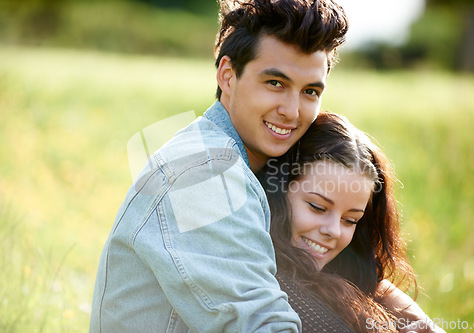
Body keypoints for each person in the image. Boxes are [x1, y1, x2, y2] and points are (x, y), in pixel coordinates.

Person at [90, 0, 348, 332]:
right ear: (228, 76)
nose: (292, 111)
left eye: (310, 91)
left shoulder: (257, 164)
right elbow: (262, 326)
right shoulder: (203, 173)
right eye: (275, 84)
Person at [263, 112, 446, 332]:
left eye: (350, 220)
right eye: (318, 207)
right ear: (279, 192)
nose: (334, 231)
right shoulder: (272, 287)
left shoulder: (355, 285)